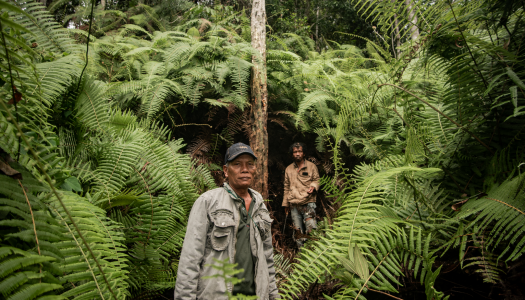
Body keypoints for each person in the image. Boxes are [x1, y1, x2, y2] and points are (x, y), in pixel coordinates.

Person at [174, 142, 279, 300]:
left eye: (250, 164)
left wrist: (273, 296)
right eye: (237, 164)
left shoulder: (260, 204)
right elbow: (190, 259)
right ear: (225, 170)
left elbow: (268, 258)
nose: (245, 169)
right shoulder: (208, 202)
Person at [282, 142, 320, 248]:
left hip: (308, 203)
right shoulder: (288, 169)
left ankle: (314, 253)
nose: (297, 154)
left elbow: (317, 180)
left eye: (300, 151)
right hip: (294, 204)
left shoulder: (311, 166)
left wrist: (313, 186)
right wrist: (286, 204)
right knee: (297, 231)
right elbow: (286, 187)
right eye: (295, 152)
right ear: (292, 154)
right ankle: (301, 256)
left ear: (304, 153)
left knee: (311, 228)